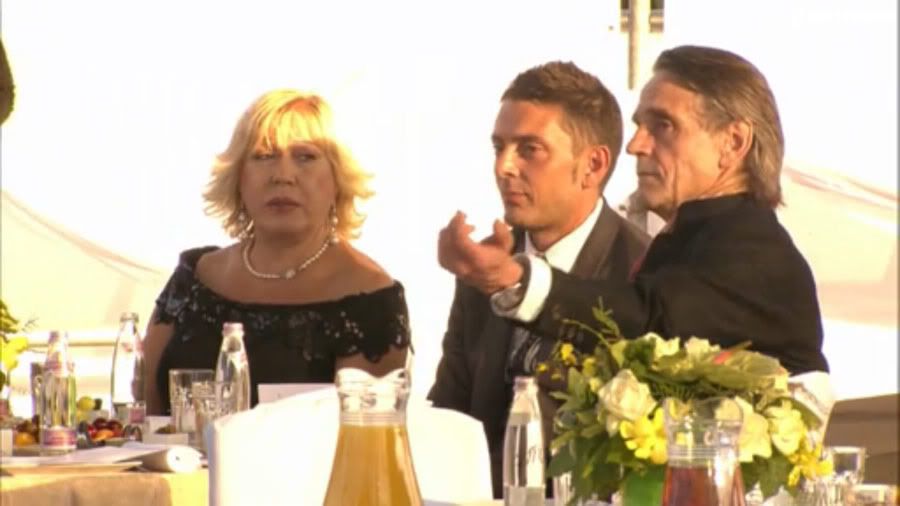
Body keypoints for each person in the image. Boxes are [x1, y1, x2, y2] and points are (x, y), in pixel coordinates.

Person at [437, 45, 829, 382]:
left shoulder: (752, 248)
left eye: (663, 126)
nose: (636, 145)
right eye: (640, 125)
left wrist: (513, 279)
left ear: (733, 142)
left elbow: (646, 322)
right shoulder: (691, 238)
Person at [428, 61, 649, 497]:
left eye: (530, 149)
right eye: (499, 147)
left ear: (593, 165)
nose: (504, 167)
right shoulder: (484, 265)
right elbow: (450, 413)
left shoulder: (641, 272)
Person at [144, 89, 412, 415]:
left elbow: (362, 437)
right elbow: (147, 410)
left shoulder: (368, 298)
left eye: (306, 157)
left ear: (337, 179)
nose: (282, 176)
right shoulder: (195, 276)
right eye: (264, 156)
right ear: (238, 177)